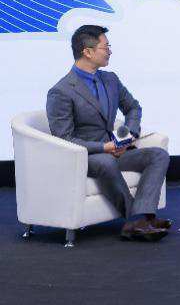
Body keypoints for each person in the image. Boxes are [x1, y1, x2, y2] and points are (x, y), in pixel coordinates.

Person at [45, 25, 172, 241]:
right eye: (106, 47)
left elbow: (133, 108)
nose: (110, 51)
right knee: (106, 161)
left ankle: (142, 218)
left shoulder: (111, 79)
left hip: (115, 151)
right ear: (88, 51)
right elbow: (64, 138)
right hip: (88, 157)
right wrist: (104, 148)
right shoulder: (61, 91)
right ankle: (136, 220)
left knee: (158, 155)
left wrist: (126, 137)